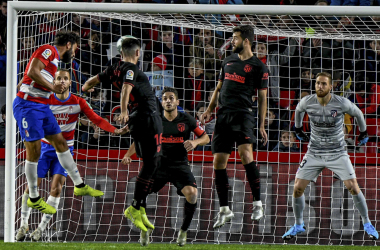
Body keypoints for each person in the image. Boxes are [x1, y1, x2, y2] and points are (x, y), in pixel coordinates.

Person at [15, 69, 128, 241]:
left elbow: (96, 119)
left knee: (56, 188)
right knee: (32, 187)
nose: (61, 81)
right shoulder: (44, 99)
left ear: (69, 83)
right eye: (58, 78)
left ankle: (40, 230)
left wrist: (114, 129)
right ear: (53, 82)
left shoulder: (78, 102)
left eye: (65, 79)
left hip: (65, 150)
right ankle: (23, 224)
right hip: (44, 148)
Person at [13, 31, 103, 215]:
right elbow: (32, 71)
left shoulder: (53, 62)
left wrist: (26, 85)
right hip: (29, 106)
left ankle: (80, 185)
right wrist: (52, 87)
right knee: (34, 151)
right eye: (76, 48)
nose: (76, 53)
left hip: (41, 105)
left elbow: (27, 76)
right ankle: (34, 198)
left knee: (61, 143)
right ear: (69, 45)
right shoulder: (49, 50)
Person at [282, 72, 378, 241]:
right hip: (314, 152)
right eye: (318, 83)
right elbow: (298, 110)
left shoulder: (341, 103)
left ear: (331, 86)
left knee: (353, 187)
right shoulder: (307, 101)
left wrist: (363, 132)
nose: (320, 86)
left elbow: (358, 113)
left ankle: (367, 223)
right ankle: (298, 224)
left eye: (324, 84)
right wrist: (297, 129)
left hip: (337, 152)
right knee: (297, 188)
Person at [82, 36, 163, 233]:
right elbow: (126, 87)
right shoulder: (131, 69)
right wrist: (124, 111)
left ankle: (140, 207)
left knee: (148, 163)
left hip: (139, 119)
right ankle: (135, 207)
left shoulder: (113, 69)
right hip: (147, 117)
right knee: (153, 164)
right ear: (138, 53)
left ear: (120, 53)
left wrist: (85, 87)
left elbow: (94, 80)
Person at [200, 25, 269, 229]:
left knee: (246, 155)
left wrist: (262, 125)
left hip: (243, 114)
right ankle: (224, 210)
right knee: (218, 162)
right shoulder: (228, 61)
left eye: (236, 38)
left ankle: (257, 204)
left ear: (246, 41)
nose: (232, 42)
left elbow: (263, 98)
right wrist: (210, 109)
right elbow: (218, 87)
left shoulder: (259, 67)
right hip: (223, 115)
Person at [122, 87, 209, 247]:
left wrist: (195, 142)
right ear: (161, 103)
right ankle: (144, 229)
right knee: (142, 193)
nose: (168, 101)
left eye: (171, 98)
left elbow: (206, 137)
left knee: (192, 194)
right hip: (157, 165)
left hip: (179, 165)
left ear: (177, 101)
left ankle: (183, 231)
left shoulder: (187, 119)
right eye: (165, 99)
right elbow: (140, 140)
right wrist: (128, 154)